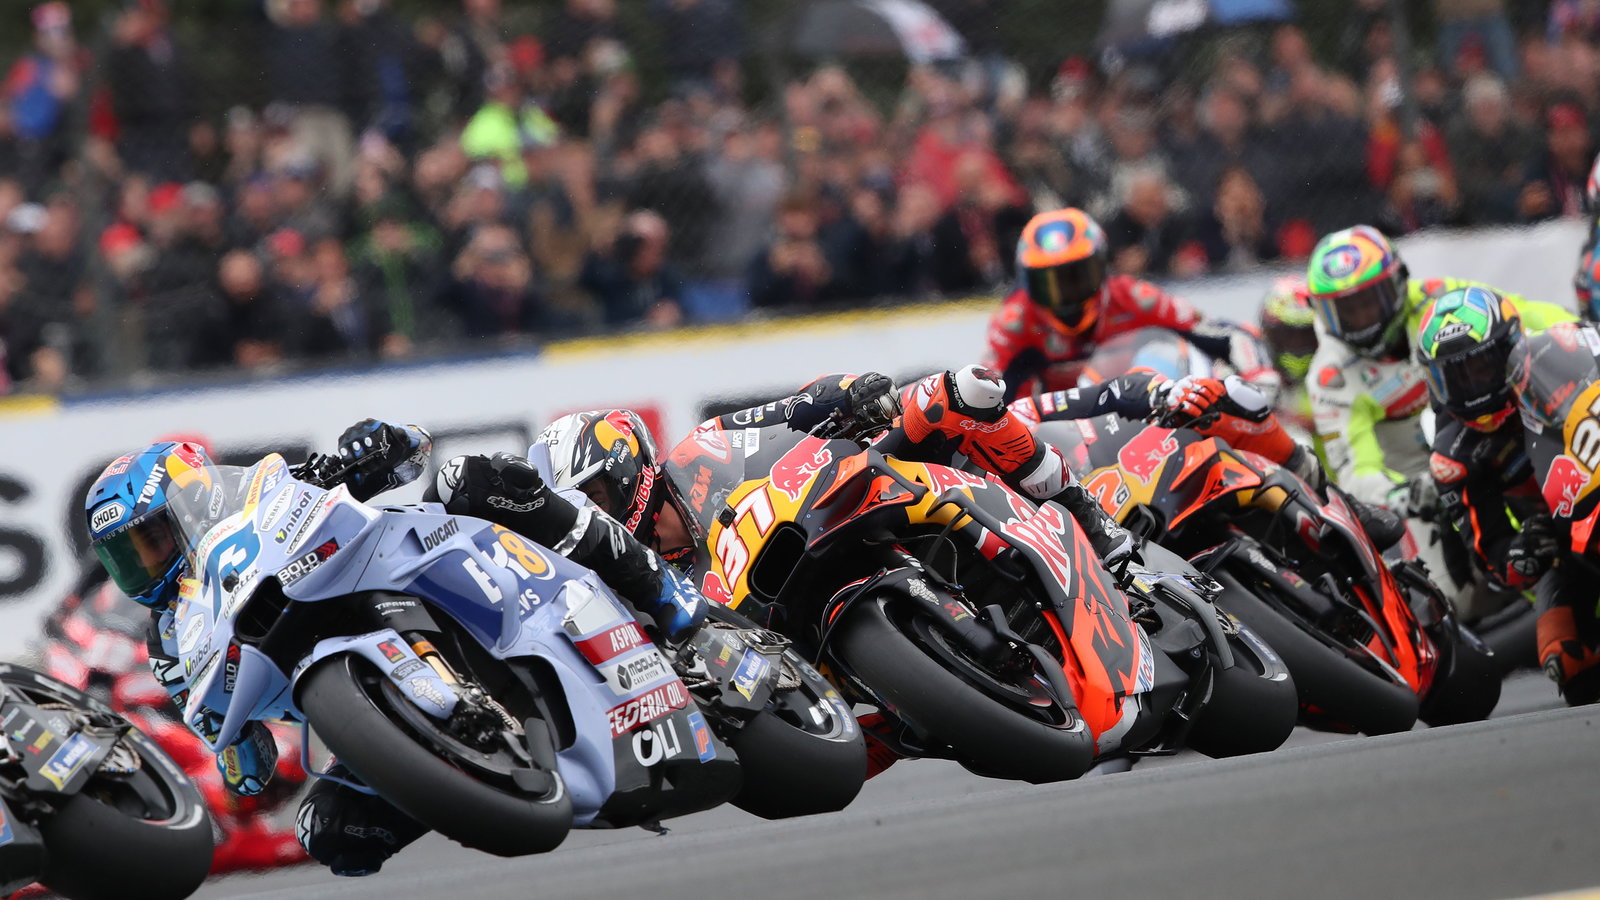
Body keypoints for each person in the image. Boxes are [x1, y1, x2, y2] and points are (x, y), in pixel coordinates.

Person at [84, 424, 708, 876]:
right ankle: (479, 776)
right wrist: (238, 755)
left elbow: (410, 448)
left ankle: (657, 588)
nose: (145, 563)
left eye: (152, 539)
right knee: (329, 832)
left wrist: (372, 447)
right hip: (353, 691)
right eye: (127, 557)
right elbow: (238, 759)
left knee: (472, 478)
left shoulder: (270, 493)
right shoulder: (171, 640)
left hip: (423, 564)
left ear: (195, 500)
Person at [1414, 287, 1597, 704]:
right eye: (1455, 375)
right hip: (1562, 542)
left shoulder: (1563, 349)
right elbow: (1491, 555)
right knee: (1567, 660)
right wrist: (1522, 553)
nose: (1472, 385)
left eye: (1483, 366)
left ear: (1512, 347)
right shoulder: (1453, 456)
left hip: (1595, 479)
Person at [983, 206, 1277, 404]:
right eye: (1049, 282)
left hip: (1142, 421)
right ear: (1026, 280)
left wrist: (1257, 376)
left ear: (1101, 267)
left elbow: (1223, 333)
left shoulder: (1135, 298)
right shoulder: (1013, 321)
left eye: (1076, 277)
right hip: (1059, 443)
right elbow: (989, 392)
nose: (1065, 295)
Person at [1258, 277, 1318, 440]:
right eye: (1288, 336)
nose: (1297, 345)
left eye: (1306, 336)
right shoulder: (1254, 376)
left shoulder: (1336, 374)